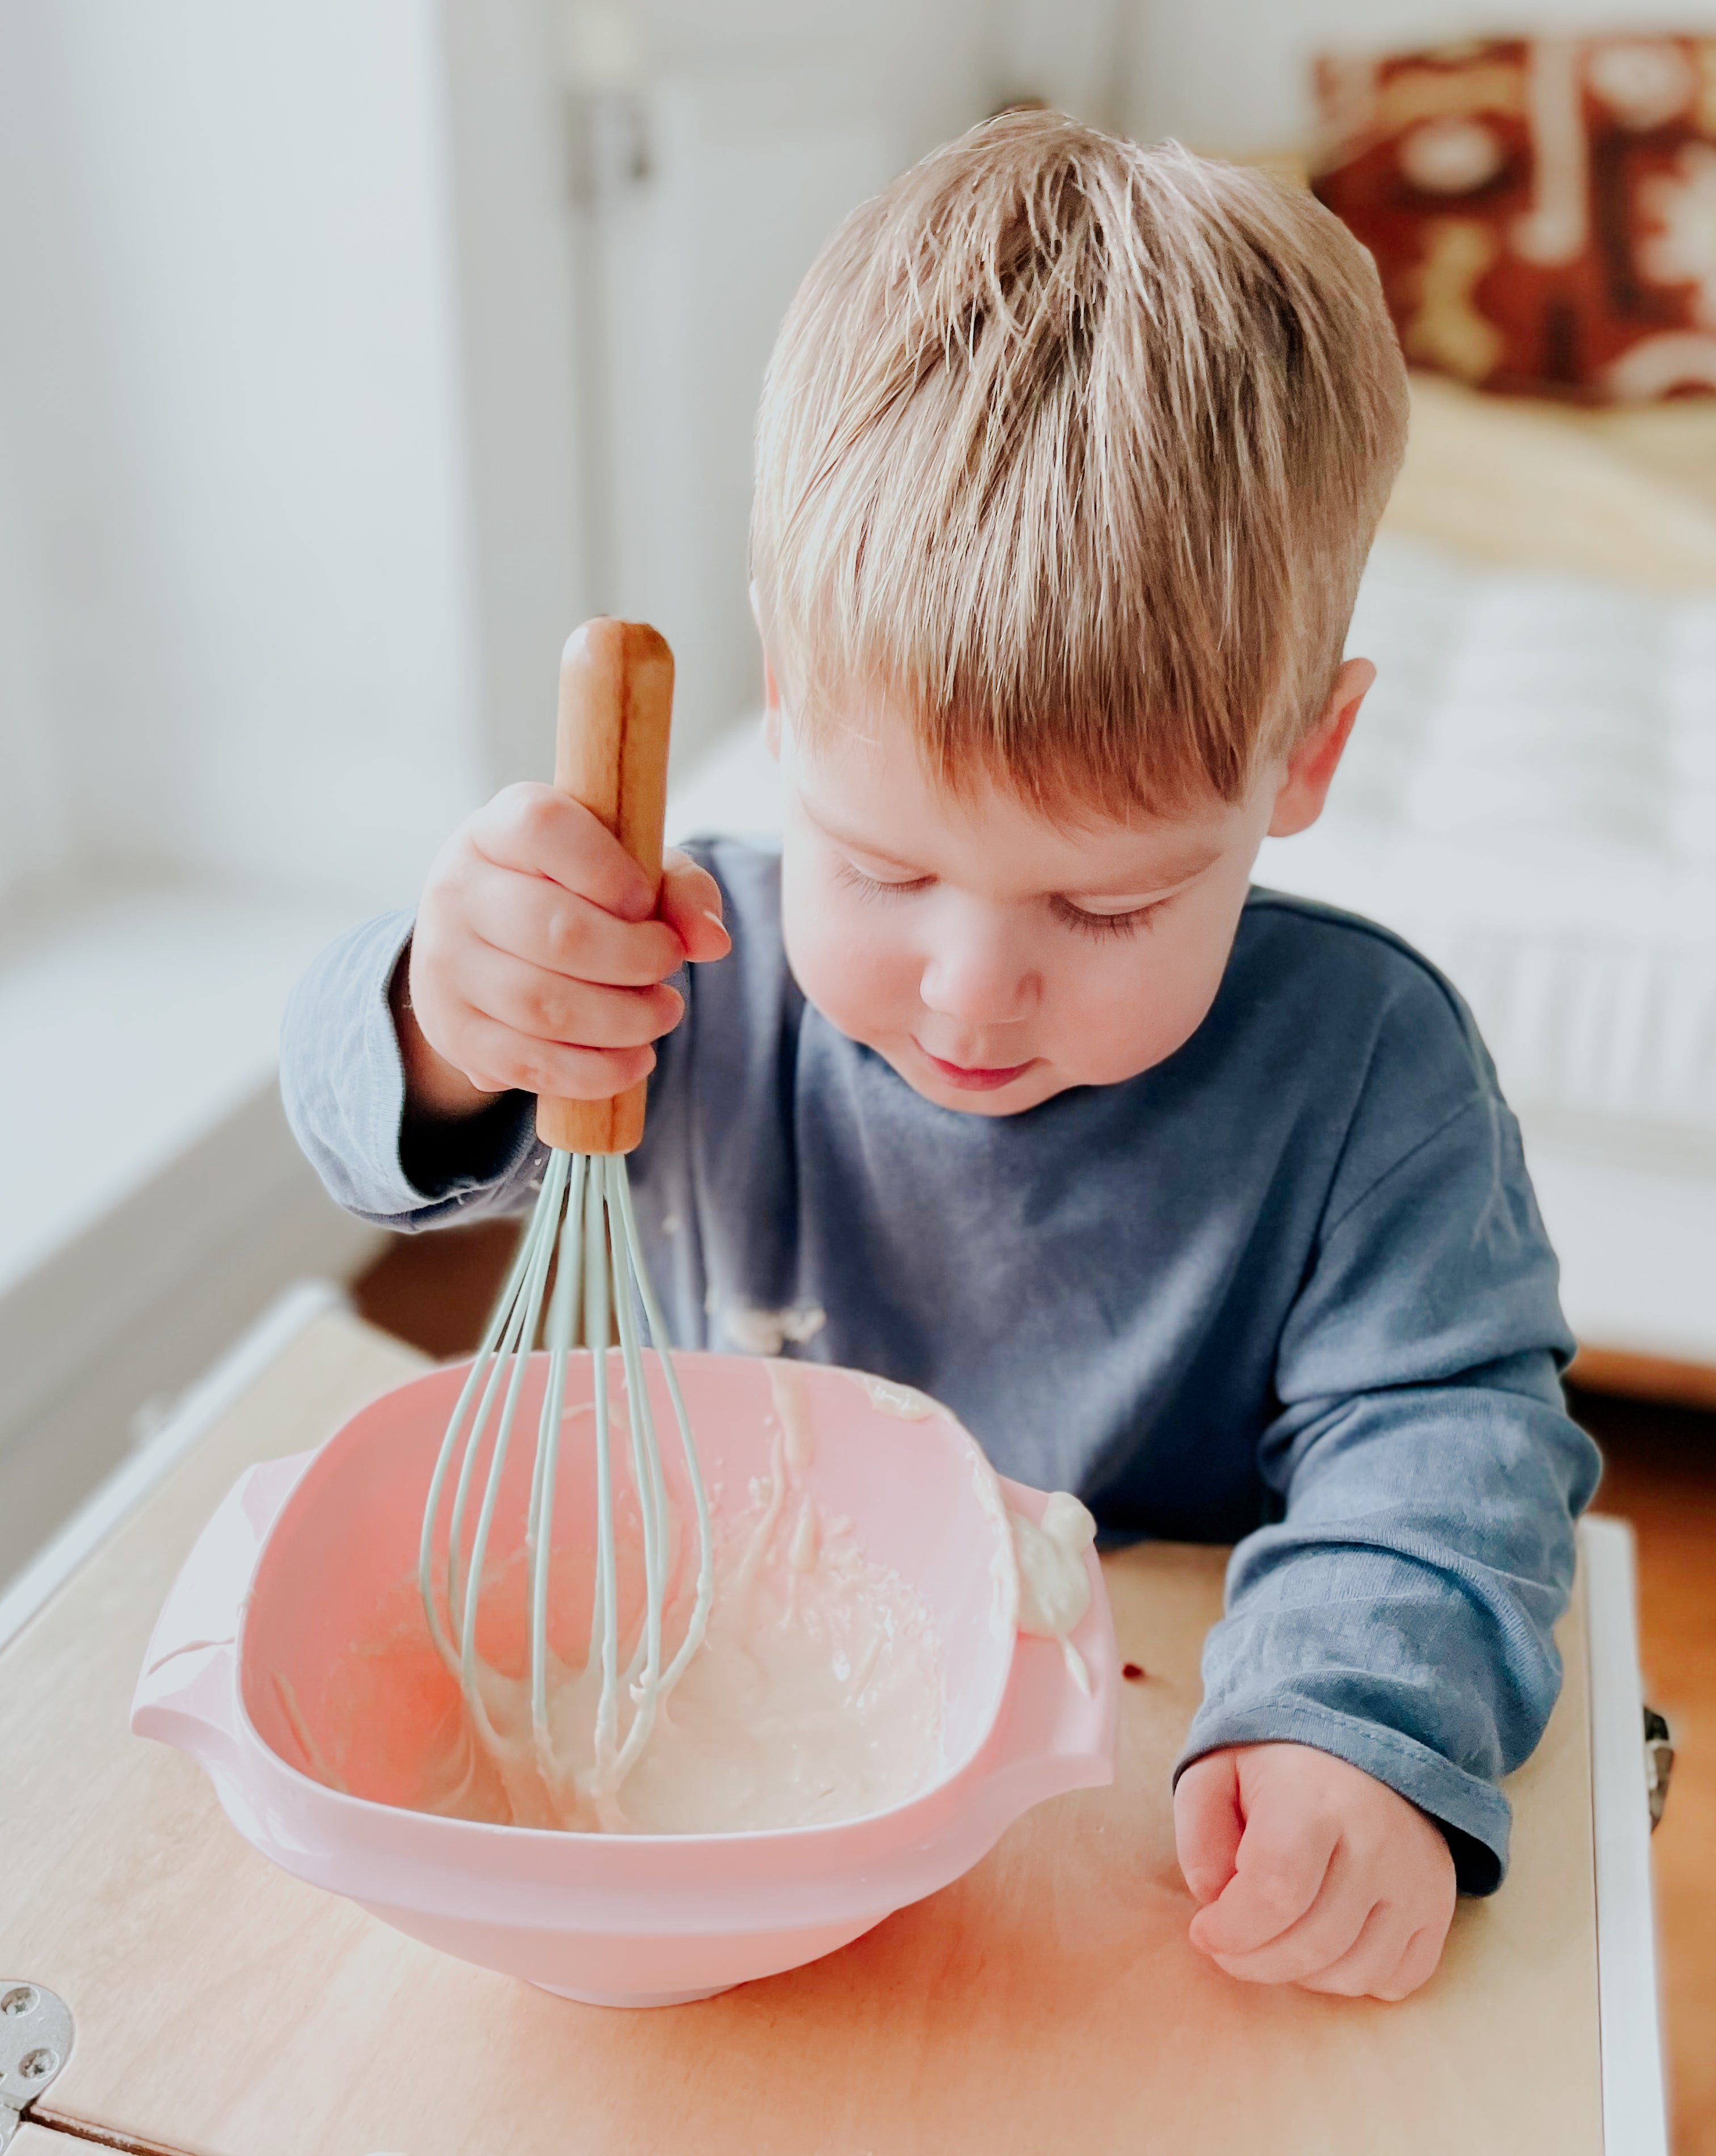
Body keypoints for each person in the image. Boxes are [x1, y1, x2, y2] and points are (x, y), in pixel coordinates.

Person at [282, 112, 1599, 2003]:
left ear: (1303, 761)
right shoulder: (684, 975)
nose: (976, 993)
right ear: (789, 701)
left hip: (1122, 1836)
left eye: (1109, 909)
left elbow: (1458, 1445)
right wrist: (445, 1010)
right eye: (886, 865)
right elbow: (354, 1123)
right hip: (704, 1802)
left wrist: (1343, 1720)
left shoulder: (1369, 1081)